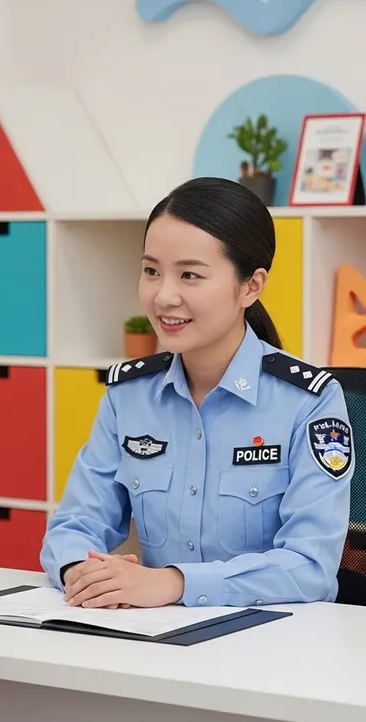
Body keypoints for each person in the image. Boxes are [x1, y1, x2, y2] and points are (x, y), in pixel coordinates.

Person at [40, 177, 354, 611]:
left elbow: (310, 567)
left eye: (189, 275)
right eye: (151, 271)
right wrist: (80, 572)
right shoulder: (128, 396)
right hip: (158, 638)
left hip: (273, 646)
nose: (164, 296)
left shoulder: (309, 401)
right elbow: (75, 524)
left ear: (251, 286)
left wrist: (174, 584)